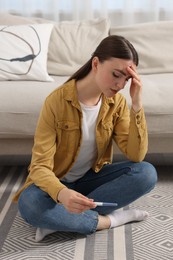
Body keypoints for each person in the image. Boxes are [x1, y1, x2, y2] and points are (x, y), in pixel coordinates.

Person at [13, 35, 157, 242]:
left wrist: (136, 104)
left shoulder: (116, 103)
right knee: (30, 204)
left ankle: (59, 220)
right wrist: (62, 194)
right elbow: (39, 167)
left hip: (89, 181)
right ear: (96, 63)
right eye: (116, 75)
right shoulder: (57, 101)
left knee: (146, 173)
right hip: (55, 184)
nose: (120, 85)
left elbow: (136, 154)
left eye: (126, 79)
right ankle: (110, 221)